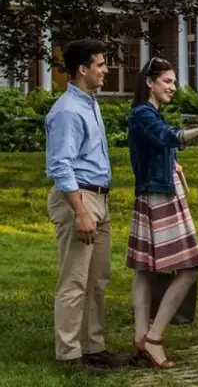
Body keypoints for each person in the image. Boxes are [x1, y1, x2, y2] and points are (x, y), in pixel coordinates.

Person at [125, 57, 198, 368]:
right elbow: (168, 136)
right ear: (150, 82)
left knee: (145, 270)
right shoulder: (143, 113)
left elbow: (162, 143)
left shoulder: (147, 114)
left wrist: (171, 161)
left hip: (154, 194)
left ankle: (142, 337)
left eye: (174, 81)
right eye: (167, 81)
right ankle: (154, 338)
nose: (173, 87)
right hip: (160, 198)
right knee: (190, 268)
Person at [45, 38, 129, 374]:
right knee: (74, 281)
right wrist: (80, 211)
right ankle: (69, 355)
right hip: (78, 199)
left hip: (99, 198)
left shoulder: (89, 103)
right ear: (83, 69)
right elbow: (61, 166)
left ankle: (93, 346)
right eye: (101, 64)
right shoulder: (66, 111)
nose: (106, 70)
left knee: (97, 278)